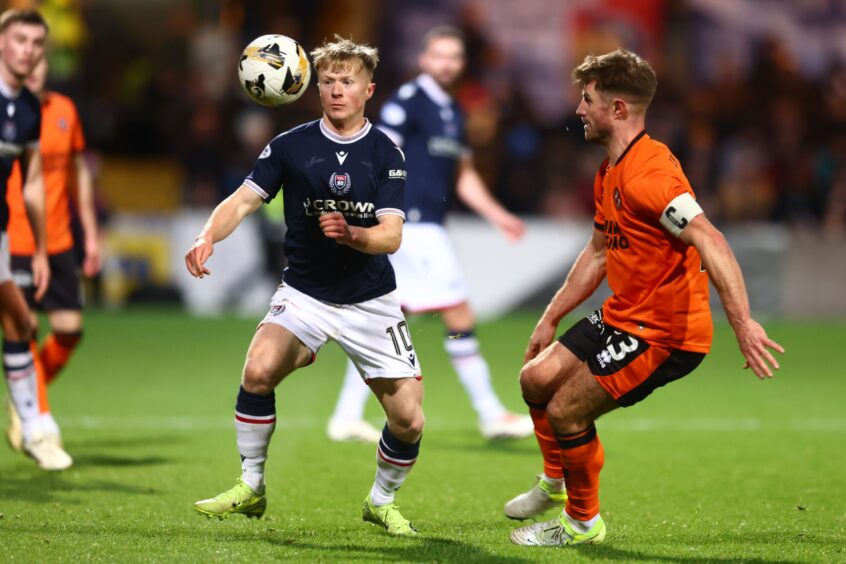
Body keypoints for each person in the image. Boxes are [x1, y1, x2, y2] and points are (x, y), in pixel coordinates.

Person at [504, 49, 785, 547]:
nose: (578, 110)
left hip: (665, 333)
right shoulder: (610, 170)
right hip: (624, 315)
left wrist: (742, 322)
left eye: (586, 100)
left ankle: (581, 523)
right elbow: (596, 255)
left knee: (568, 410)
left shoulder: (651, 176)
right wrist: (549, 319)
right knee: (535, 378)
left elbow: (711, 239)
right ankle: (555, 479)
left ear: (616, 109)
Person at [185, 36, 423, 536]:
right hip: (305, 295)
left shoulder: (386, 153)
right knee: (258, 369)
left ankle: (381, 500)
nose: (337, 90)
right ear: (316, 88)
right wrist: (208, 234)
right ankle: (251, 485)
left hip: (370, 302)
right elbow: (244, 200)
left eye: (348, 81)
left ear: (368, 90)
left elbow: (392, 235)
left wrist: (353, 233)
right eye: (329, 81)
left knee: (408, 420)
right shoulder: (291, 146)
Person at [327, 25, 532, 443]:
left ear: (461, 64)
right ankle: (491, 413)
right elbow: (378, 153)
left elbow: (464, 176)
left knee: (388, 321)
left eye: (454, 57)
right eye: (439, 55)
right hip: (413, 226)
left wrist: (498, 215)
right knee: (457, 317)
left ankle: (346, 415)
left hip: (424, 227)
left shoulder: (454, 112)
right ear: (424, 59)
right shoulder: (410, 101)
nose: (446, 63)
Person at [5, 56, 100, 457]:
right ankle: (39, 422)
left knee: (69, 330)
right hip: (15, 240)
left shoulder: (64, 110)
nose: (34, 67)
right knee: (23, 329)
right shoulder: (8, 115)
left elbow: (78, 174)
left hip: (59, 240)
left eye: (41, 60)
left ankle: (22, 388)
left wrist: (92, 234)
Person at [0, 9, 72, 471]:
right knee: (18, 320)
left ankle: (30, 428)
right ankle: (32, 426)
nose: (28, 50)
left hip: (4, 232)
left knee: (21, 325)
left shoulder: (27, 108)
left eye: (36, 43)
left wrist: (42, 249)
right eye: (20, 39)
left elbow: (29, 184)